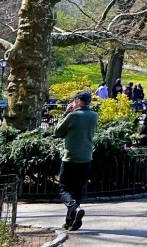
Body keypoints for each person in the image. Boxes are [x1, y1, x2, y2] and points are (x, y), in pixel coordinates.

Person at [53, 91, 98, 232]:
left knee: (63, 188)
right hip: (86, 157)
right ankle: (71, 221)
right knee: (77, 189)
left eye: (74, 100)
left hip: (71, 157)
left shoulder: (73, 116)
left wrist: (66, 113)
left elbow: (57, 132)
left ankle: (73, 208)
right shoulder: (94, 116)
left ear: (78, 101)